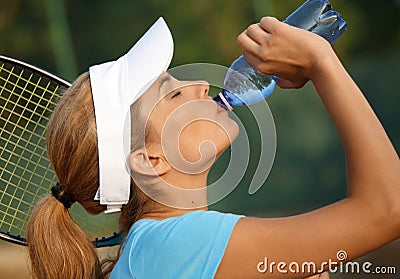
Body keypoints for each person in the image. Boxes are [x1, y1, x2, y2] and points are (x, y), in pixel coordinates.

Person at [26, 15, 400, 279]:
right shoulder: (175, 244)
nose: (202, 85)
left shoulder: (158, 247)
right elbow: (390, 207)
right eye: (173, 93)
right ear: (149, 160)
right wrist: (322, 62)